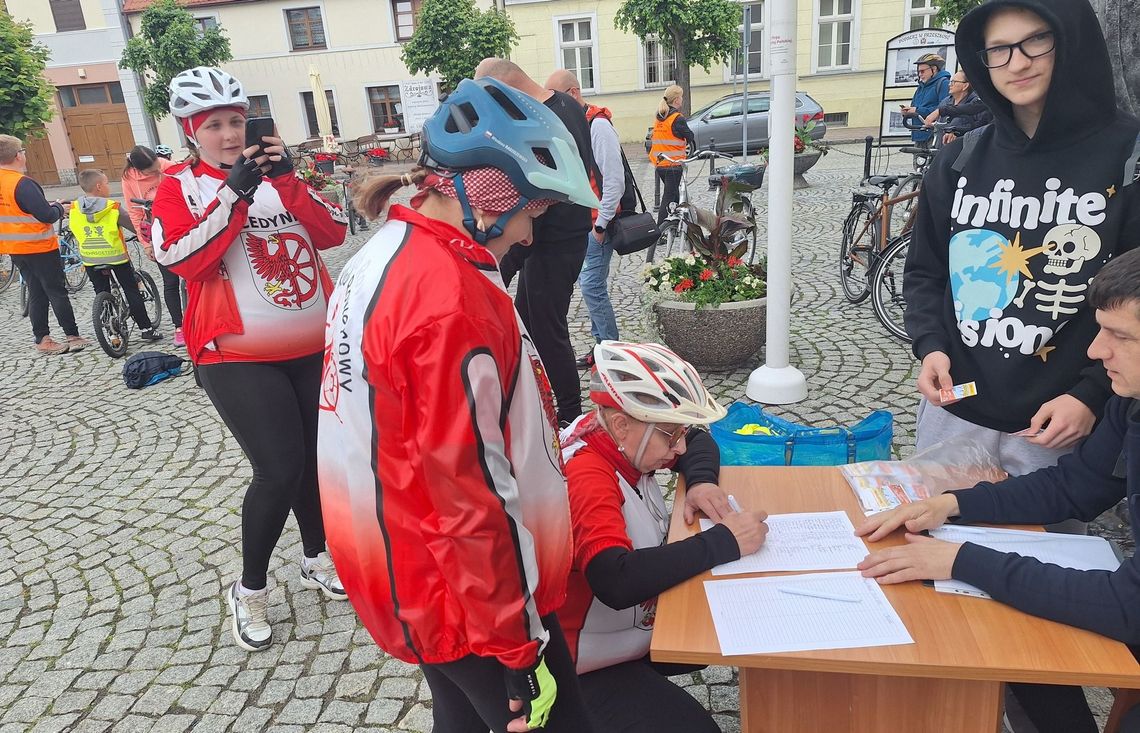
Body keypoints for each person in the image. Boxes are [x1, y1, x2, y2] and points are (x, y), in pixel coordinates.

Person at [317, 76, 600, 733]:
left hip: (414, 573)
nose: (528, 235)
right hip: (473, 601)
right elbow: (471, 492)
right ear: (488, 197)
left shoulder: (385, 252)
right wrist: (518, 646)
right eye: (531, 211)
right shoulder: (450, 302)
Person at [901, 0, 1140, 725]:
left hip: (1062, 422)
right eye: (998, 49)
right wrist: (930, 344)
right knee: (934, 579)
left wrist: (1093, 394)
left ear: (1070, 43)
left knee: (1037, 617)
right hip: (959, 408)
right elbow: (924, 271)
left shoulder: (1127, 154)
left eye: (1035, 42)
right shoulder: (961, 156)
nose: (1017, 62)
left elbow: (1133, 299)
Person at [859, 247, 1140, 733]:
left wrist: (962, 561)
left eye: (1121, 336)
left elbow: (1126, 607)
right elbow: (1076, 485)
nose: (1095, 352)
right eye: (1099, 330)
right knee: (1024, 646)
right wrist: (951, 504)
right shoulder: (1130, 399)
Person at [151, 66, 349, 651]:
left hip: (311, 347)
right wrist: (233, 194)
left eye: (236, 121)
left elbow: (334, 231)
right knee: (279, 468)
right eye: (214, 125)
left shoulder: (279, 176)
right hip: (235, 355)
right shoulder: (180, 187)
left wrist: (287, 181)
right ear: (191, 132)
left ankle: (316, 556)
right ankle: (250, 589)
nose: (230, 134)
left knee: (314, 463)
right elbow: (182, 259)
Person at [558, 340, 768, 732]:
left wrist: (701, 482)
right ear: (621, 424)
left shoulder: (614, 438)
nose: (680, 446)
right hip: (576, 667)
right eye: (670, 435)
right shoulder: (588, 476)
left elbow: (699, 441)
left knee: (733, 628)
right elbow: (614, 579)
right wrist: (725, 541)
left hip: (618, 634)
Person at [475, 58, 596, 426]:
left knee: (547, 330)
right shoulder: (567, 104)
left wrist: (508, 259)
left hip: (554, 240)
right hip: (551, 238)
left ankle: (570, 416)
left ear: (504, 87)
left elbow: (545, 191)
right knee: (526, 319)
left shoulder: (545, 118)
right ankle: (538, 399)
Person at [545, 69, 628, 369]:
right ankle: (601, 346)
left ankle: (611, 351)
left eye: (555, 98)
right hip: (584, 224)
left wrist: (600, 226)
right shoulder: (577, 124)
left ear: (573, 93)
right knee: (590, 286)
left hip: (597, 225)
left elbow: (614, 181)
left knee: (592, 287)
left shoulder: (598, 125)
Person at [0, 134, 91, 355]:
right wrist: (60, 208)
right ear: (17, 156)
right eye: (23, 151)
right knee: (56, 291)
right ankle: (73, 336)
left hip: (14, 247)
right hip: (39, 246)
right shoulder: (22, 183)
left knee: (36, 291)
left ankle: (42, 338)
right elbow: (46, 215)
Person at [71, 168, 162, 342]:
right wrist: (144, 238)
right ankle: (146, 328)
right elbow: (133, 226)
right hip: (115, 256)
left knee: (101, 291)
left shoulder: (74, 208)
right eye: (106, 183)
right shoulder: (112, 207)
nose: (108, 186)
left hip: (90, 258)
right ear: (98, 186)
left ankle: (112, 332)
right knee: (130, 289)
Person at [122, 145, 185, 346]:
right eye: (152, 171)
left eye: (158, 166)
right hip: (156, 232)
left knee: (195, 278)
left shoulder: (166, 165)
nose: (158, 171)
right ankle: (179, 327)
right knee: (170, 281)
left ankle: (199, 320)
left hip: (181, 226)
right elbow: (134, 212)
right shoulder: (129, 179)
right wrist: (146, 244)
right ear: (139, 170)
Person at [646, 84, 694, 260]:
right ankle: (659, 232)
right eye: (681, 97)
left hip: (660, 165)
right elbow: (690, 136)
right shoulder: (677, 118)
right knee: (668, 198)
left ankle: (675, 226)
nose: (682, 99)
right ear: (676, 99)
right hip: (674, 165)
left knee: (673, 196)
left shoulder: (660, 116)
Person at [922, 71, 992, 146]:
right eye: (950, 82)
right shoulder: (945, 102)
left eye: (954, 82)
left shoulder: (976, 104)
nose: (949, 84)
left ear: (965, 86)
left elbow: (980, 128)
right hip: (941, 147)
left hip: (964, 148)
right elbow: (939, 124)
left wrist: (957, 132)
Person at [900, 53, 951, 148]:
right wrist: (907, 112)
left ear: (934, 69)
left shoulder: (943, 84)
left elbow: (945, 109)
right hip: (919, 134)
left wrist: (917, 110)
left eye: (922, 71)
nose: (920, 74)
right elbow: (914, 106)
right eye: (918, 71)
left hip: (934, 135)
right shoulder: (921, 87)